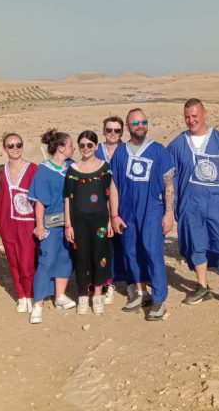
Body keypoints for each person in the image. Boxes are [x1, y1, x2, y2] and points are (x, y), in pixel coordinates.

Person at [167, 98, 219, 306]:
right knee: (196, 244)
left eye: (195, 116)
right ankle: (202, 286)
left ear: (204, 114)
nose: (191, 121)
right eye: (187, 117)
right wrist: (171, 206)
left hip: (218, 203)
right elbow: (169, 178)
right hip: (190, 205)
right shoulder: (177, 144)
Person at [109, 108, 175, 321]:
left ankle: (159, 299)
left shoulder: (158, 151)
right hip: (127, 212)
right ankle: (140, 292)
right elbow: (115, 185)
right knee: (131, 252)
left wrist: (169, 213)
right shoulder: (120, 153)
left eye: (143, 121)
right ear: (128, 127)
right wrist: (114, 215)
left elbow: (169, 184)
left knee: (152, 252)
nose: (140, 125)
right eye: (135, 122)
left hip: (152, 211)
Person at [27, 129, 77, 323]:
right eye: (71, 145)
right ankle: (37, 304)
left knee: (65, 258)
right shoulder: (44, 170)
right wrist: (39, 226)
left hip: (69, 223)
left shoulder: (71, 167)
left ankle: (60, 296)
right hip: (50, 224)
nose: (73, 148)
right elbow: (39, 201)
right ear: (61, 148)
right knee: (46, 261)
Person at [64, 130, 114, 315]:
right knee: (82, 257)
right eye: (82, 145)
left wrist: (111, 219)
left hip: (100, 221)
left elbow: (109, 197)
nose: (86, 148)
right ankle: (83, 296)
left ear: (96, 145)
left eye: (89, 145)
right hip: (79, 223)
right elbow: (68, 198)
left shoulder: (104, 169)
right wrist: (68, 225)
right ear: (78, 147)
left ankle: (98, 295)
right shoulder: (72, 170)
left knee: (101, 257)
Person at [0, 132, 39, 313]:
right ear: (4, 148)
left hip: (28, 222)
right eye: (10, 145)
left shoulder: (33, 169)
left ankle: (31, 293)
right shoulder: (0, 171)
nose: (15, 149)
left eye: (18, 145)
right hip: (6, 222)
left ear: (22, 146)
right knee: (13, 260)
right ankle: (21, 296)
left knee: (27, 261)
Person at [95, 115, 127, 304]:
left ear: (122, 132)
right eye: (109, 130)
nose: (112, 134)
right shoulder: (96, 150)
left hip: (123, 202)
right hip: (99, 204)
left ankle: (127, 278)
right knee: (104, 243)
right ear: (103, 131)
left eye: (116, 130)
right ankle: (107, 281)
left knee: (124, 242)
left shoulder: (127, 150)